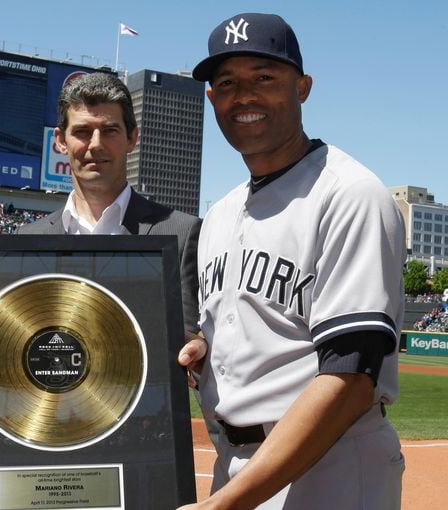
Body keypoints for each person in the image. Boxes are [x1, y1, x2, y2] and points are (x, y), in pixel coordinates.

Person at [177, 12, 406, 509]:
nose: (245, 96)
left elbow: (348, 380)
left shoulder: (349, 194)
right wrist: (202, 350)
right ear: (213, 99)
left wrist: (225, 504)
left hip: (334, 468)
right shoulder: (217, 215)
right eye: (228, 83)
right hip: (239, 466)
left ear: (302, 87)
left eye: (264, 77)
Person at [17, 72, 201, 333]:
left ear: (132, 138)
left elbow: (187, 336)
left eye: (109, 131)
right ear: (60, 141)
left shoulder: (183, 234)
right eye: (82, 131)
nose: (96, 144)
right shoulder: (25, 239)